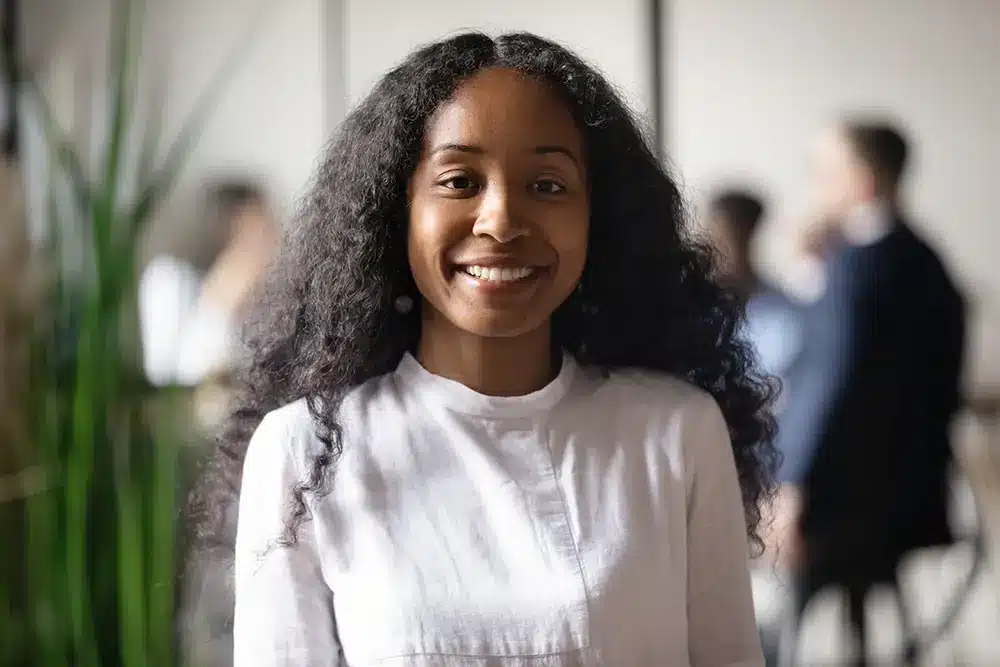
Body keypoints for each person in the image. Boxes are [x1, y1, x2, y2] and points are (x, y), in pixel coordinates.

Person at [198, 32, 778, 666]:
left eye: (548, 185)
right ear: (397, 211)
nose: (500, 220)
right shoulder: (303, 452)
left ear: (598, 218)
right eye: (459, 180)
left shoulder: (676, 432)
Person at [775, 120, 966, 666]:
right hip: (905, 499)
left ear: (859, 181)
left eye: (822, 172)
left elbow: (826, 383)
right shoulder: (925, 260)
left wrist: (792, 484)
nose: (814, 186)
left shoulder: (856, 267)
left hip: (842, 502)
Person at [139, 181, 278, 388]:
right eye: (255, 230)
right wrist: (221, 303)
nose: (267, 240)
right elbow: (168, 375)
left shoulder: (268, 292)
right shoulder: (169, 277)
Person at [708, 189, 803, 384]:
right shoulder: (696, 307)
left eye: (731, 240)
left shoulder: (782, 312)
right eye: (716, 239)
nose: (723, 251)